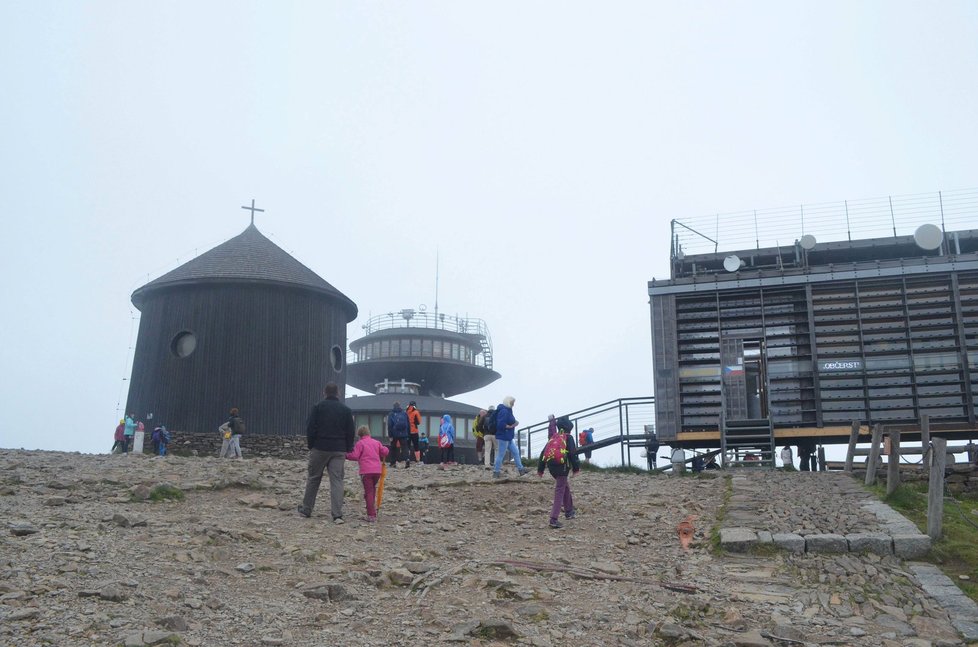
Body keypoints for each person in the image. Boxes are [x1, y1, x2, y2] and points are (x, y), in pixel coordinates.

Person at [298, 382, 356, 522]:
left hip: (320, 447)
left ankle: (307, 509)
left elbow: (310, 427)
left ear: (324, 393)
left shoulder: (317, 408)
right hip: (338, 449)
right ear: (338, 393)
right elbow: (351, 431)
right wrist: (348, 447)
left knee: (314, 478)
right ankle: (337, 514)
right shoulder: (346, 410)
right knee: (337, 480)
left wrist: (312, 445)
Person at [537, 416, 580, 529]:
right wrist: (576, 469)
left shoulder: (554, 437)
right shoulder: (568, 437)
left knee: (564, 486)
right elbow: (572, 454)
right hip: (562, 467)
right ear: (569, 428)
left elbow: (543, 453)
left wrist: (540, 469)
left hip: (552, 467)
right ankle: (553, 519)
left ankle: (569, 511)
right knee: (560, 490)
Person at [346, 426, 389, 522]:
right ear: (369, 433)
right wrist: (385, 448)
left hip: (366, 471)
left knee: (369, 492)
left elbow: (355, 456)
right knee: (372, 490)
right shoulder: (376, 442)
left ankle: (371, 515)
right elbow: (384, 452)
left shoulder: (360, 443)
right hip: (377, 471)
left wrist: (345, 455)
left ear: (359, 435)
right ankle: (372, 509)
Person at [493, 396, 528, 478]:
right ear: (509, 402)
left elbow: (508, 421)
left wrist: (514, 423)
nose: (513, 404)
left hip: (508, 437)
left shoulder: (507, 410)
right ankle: (496, 472)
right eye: (512, 402)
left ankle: (521, 470)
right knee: (501, 454)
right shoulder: (504, 411)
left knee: (515, 452)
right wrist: (510, 426)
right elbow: (500, 424)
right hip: (504, 436)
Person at [386, 402, 411, 468]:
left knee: (393, 448)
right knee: (405, 448)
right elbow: (408, 424)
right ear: (400, 406)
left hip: (394, 434)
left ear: (393, 406)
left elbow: (390, 425)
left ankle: (393, 463)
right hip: (404, 434)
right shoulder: (404, 413)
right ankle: (407, 459)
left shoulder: (391, 414)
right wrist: (408, 434)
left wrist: (390, 435)